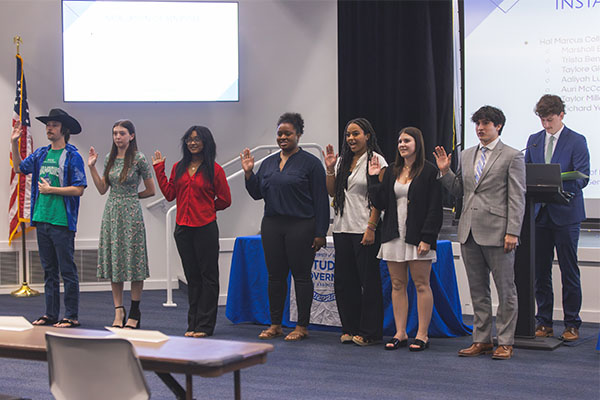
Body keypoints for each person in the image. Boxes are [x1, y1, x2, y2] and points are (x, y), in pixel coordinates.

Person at [434, 105, 526, 360]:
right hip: (469, 231)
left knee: (506, 290)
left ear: (498, 127)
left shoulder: (512, 156)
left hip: (499, 232)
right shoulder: (466, 155)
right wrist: (444, 171)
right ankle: (482, 340)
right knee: (478, 291)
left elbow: (517, 198)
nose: (480, 128)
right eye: (477, 123)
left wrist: (513, 232)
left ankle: (505, 341)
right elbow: (458, 190)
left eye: (486, 123)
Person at [240, 112, 329, 341]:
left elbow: (321, 200)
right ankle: (276, 324)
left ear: (298, 134)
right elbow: (257, 194)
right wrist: (249, 173)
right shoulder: (269, 163)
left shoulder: (311, 163)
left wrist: (320, 233)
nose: (282, 137)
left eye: (288, 133)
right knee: (275, 277)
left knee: (301, 277)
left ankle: (301, 327)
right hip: (272, 225)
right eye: (279, 133)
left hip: (301, 225)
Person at [368, 127, 442, 351]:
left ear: (417, 144)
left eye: (407, 141)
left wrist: (427, 238)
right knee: (398, 285)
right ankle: (400, 333)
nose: (402, 145)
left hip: (418, 237)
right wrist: (373, 179)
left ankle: (422, 334)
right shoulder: (391, 170)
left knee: (421, 285)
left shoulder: (429, 171)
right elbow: (380, 202)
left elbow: (434, 208)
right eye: (399, 141)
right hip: (393, 235)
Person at [11, 108, 87, 328]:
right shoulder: (41, 154)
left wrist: (53, 190)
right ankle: (50, 313)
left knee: (67, 270)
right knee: (49, 271)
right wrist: (14, 144)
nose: (49, 128)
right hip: (41, 218)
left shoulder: (72, 155)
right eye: (48, 124)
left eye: (54, 124)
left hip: (62, 221)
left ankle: (71, 315)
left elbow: (79, 189)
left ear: (65, 129)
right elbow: (18, 168)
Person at [153, 126, 231, 338]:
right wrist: (159, 170)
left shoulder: (215, 170)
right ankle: (193, 324)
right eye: (189, 139)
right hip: (183, 229)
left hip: (205, 228)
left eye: (197, 139)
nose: (192, 142)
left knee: (209, 277)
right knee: (192, 277)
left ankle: (205, 326)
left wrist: (206, 209)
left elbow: (225, 200)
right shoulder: (178, 167)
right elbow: (170, 195)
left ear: (206, 142)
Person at [525, 94, 590, 342]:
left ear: (561, 115)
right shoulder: (533, 141)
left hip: (566, 214)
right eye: (542, 120)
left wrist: (559, 186)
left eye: (550, 119)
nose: (546, 125)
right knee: (540, 271)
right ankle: (544, 321)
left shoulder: (577, 140)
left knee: (568, 270)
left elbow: (582, 177)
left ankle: (572, 323)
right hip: (539, 214)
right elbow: (525, 173)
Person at [324, 118, 386, 346]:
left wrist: (371, 227)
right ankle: (349, 328)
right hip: (342, 229)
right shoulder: (342, 161)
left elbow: (379, 198)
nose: (350, 138)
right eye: (348, 134)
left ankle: (370, 332)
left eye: (356, 134)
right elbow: (332, 192)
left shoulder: (377, 160)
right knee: (344, 282)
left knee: (368, 282)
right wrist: (330, 168)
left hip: (365, 229)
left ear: (367, 135)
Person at [88, 120, 155, 329]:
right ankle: (118, 311)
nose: (118, 137)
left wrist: (132, 197)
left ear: (131, 136)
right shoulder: (109, 158)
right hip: (111, 213)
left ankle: (135, 311)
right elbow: (101, 189)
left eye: (122, 133)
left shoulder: (139, 158)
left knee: (134, 263)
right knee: (115, 263)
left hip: (131, 214)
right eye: (115, 133)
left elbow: (151, 190)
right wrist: (92, 168)